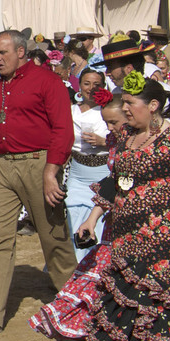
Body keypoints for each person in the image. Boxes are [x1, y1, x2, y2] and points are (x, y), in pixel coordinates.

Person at [31, 75, 170, 341]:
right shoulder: (125, 136)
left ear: (153, 106)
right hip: (123, 234)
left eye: (130, 105)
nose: (125, 110)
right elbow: (116, 181)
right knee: (122, 298)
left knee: (153, 305)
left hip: (162, 236)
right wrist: (92, 220)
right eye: (123, 105)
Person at [0, 30, 76, 333]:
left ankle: (76, 305)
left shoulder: (48, 82)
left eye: (1, 52)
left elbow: (63, 129)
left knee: (53, 236)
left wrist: (52, 172)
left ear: (21, 52)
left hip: (38, 165)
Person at [66, 71, 113, 261]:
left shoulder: (108, 111)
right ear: (79, 86)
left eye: (96, 84)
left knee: (99, 220)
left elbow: (122, 138)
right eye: (87, 83)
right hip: (77, 172)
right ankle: (73, 265)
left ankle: (94, 265)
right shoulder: (71, 111)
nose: (91, 89)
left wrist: (104, 142)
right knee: (72, 213)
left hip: (102, 171)